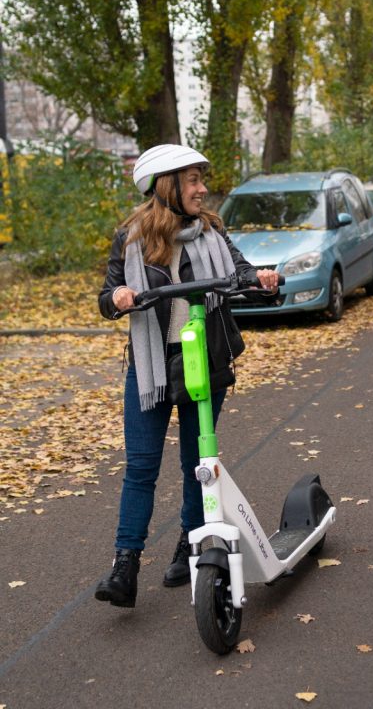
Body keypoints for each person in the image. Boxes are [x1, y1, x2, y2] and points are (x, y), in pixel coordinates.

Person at [95, 144, 279, 608]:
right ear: (168, 187)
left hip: (205, 360)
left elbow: (238, 271)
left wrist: (260, 278)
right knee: (140, 467)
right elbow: (105, 295)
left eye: (202, 179)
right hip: (151, 364)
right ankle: (125, 565)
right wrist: (118, 296)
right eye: (193, 180)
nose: (202, 189)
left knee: (196, 465)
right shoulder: (131, 237)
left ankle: (189, 545)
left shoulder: (212, 230)